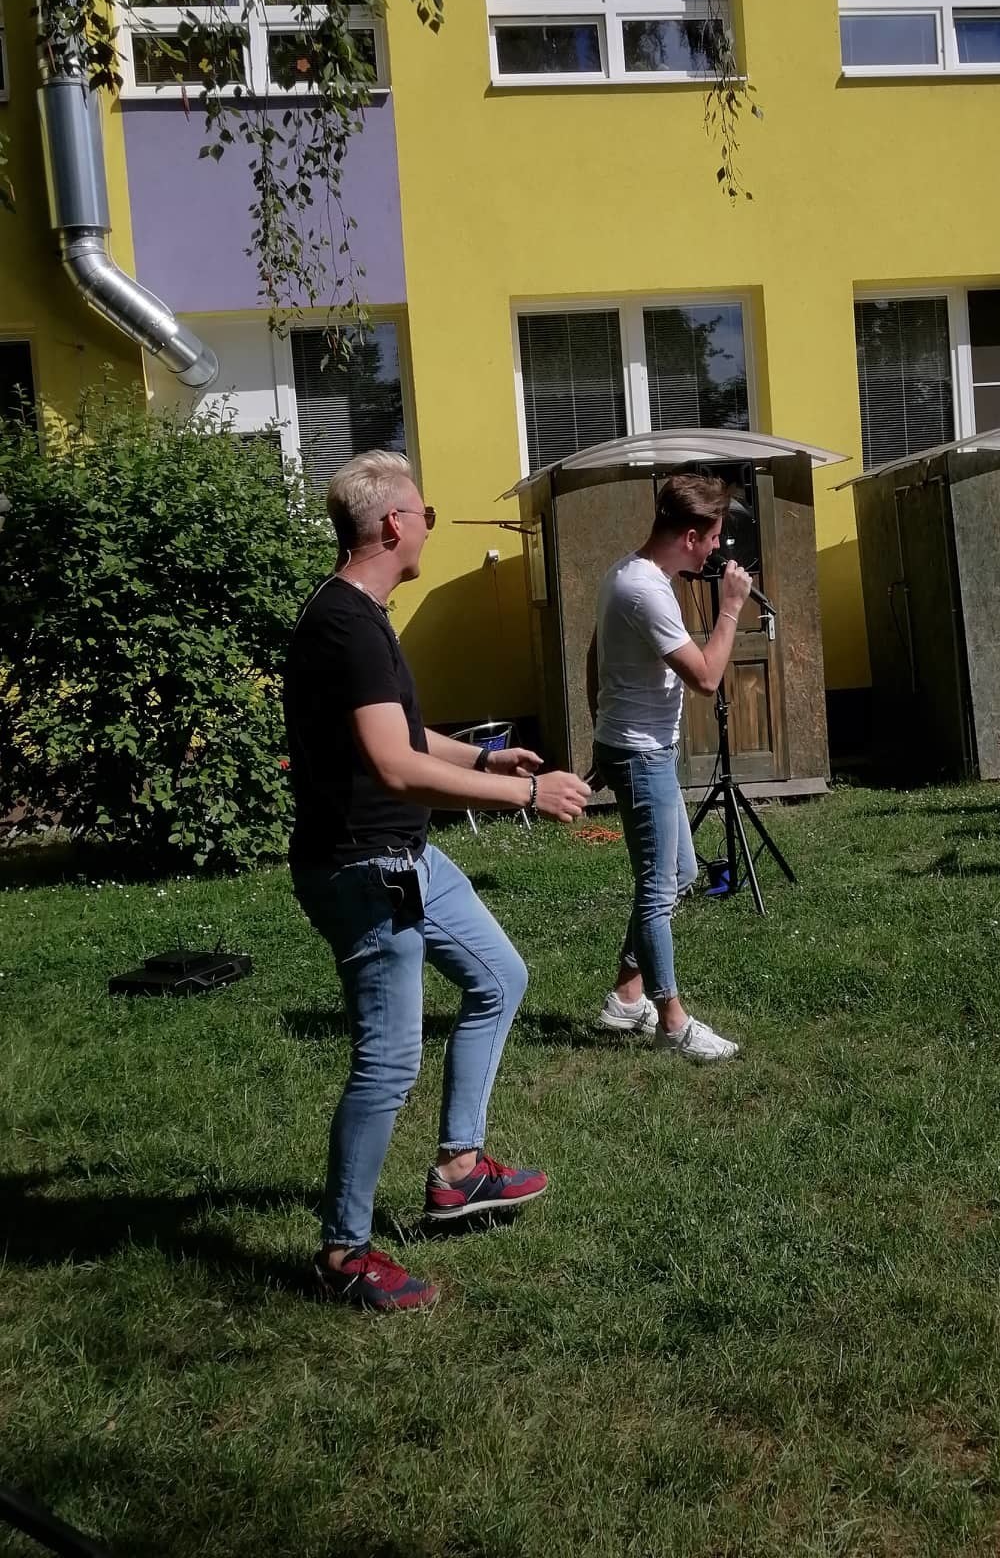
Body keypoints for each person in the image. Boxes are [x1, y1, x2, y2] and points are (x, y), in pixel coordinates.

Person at [285, 451, 591, 1311]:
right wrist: (524, 794)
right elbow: (394, 765)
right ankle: (344, 1254)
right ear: (393, 524)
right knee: (388, 1061)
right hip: (365, 866)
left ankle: (460, 1169)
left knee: (499, 977)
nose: (429, 524)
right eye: (424, 512)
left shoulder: (358, 615)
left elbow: (403, 732)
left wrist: (485, 757)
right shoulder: (346, 626)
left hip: (405, 857)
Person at [588, 472, 751, 1062]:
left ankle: (625, 996)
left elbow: (593, 655)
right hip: (641, 754)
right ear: (689, 536)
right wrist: (730, 609)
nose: (716, 550)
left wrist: (604, 728)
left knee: (679, 874)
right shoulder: (646, 591)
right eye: (713, 538)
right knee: (658, 889)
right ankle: (672, 1022)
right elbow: (706, 678)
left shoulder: (629, 575)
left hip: (637, 747)